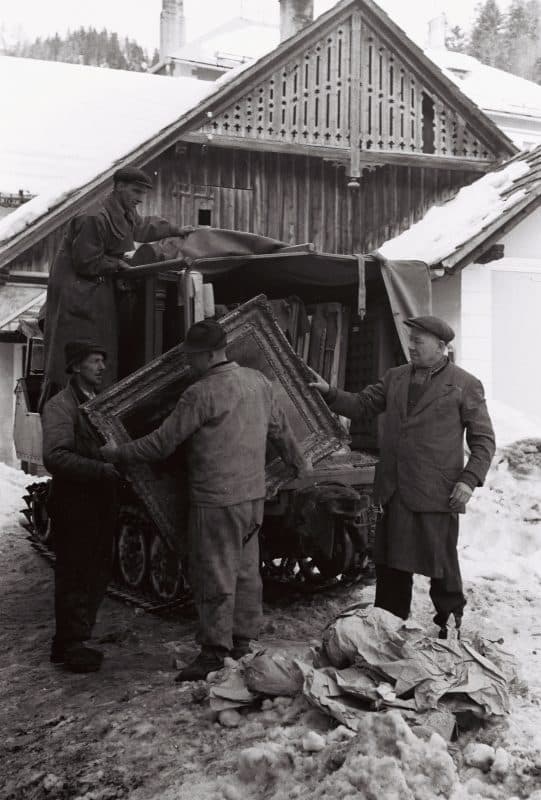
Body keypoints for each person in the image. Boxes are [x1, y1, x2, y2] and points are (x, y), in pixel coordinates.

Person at [100, 319, 307, 681]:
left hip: (215, 499)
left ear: (211, 354)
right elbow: (281, 431)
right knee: (246, 571)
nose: (188, 365)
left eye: (192, 357)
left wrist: (116, 453)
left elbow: (161, 444)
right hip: (252, 497)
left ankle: (214, 651)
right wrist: (298, 464)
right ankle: (243, 642)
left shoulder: (200, 393)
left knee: (214, 574)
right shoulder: (259, 382)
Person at [309, 315, 495, 638]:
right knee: (391, 564)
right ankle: (388, 629)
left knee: (442, 566)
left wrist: (468, 479)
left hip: (438, 493)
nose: (411, 346)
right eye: (410, 340)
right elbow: (363, 405)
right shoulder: (395, 377)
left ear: (441, 346)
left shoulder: (465, 384)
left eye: (418, 341)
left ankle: (451, 629)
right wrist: (329, 392)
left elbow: (484, 441)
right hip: (394, 491)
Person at [41, 166, 193, 405]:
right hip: (77, 291)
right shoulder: (94, 217)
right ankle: (70, 405)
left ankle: (96, 402)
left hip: (96, 283)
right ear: (119, 186)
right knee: (79, 351)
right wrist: (119, 264)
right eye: (135, 191)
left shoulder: (124, 210)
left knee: (101, 347)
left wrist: (176, 230)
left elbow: (143, 227)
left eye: (143, 193)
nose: (139, 199)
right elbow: (86, 262)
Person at [42, 341, 120, 673]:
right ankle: (72, 645)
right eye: (95, 361)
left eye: (103, 360)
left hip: (97, 500)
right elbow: (55, 456)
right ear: (76, 367)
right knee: (76, 573)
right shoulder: (62, 406)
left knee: (94, 571)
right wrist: (101, 467)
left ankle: (68, 642)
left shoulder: (97, 403)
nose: (102, 367)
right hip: (75, 503)